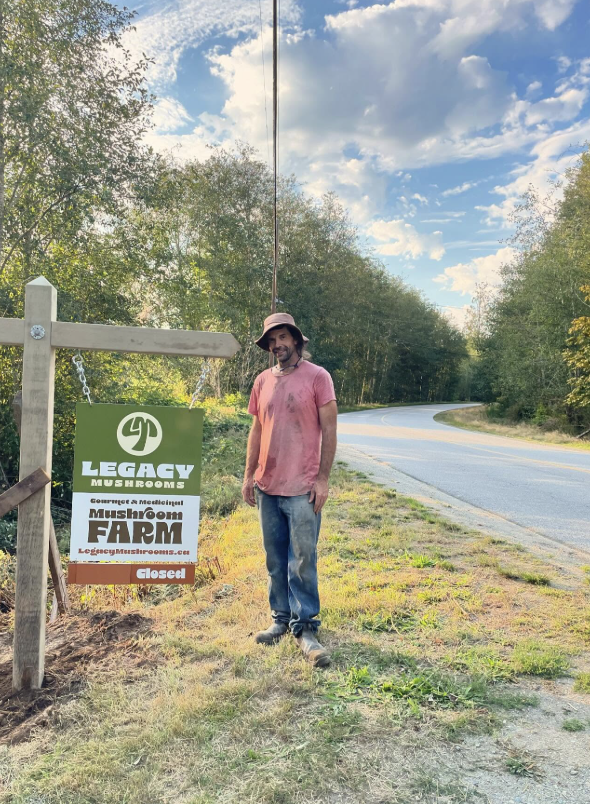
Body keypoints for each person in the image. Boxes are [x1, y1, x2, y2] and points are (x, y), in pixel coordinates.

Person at [242, 313, 337, 667]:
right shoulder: (263, 380)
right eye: (272, 340)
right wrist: (249, 474)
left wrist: (323, 479)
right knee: (275, 559)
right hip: (268, 485)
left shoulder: (318, 377)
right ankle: (280, 619)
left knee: (302, 560)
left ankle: (306, 627)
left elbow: (330, 431)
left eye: (283, 337)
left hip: (302, 488)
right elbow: (256, 430)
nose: (277, 344)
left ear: (296, 340)